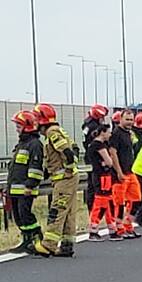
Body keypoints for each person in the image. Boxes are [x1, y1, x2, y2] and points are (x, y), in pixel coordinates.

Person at [36, 104, 79, 258]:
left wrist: (67, 168)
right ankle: (67, 245)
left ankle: (49, 245)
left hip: (64, 179)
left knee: (57, 210)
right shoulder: (59, 131)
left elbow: (67, 152)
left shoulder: (52, 133)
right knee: (68, 213)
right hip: (69, 178)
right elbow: (74, 148)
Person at [5, 111, 46, 255]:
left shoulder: (34, 144)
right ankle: (26, 240)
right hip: (15, 189)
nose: (16, 128)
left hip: (25, 189)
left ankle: (36, 238)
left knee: (25, 215)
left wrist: (30, 185)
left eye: (18, 125)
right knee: (18, 217)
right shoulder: (22, 144)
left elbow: (35, 167)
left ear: (27, 126)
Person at [109, 109, 142, 239]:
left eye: (131, 120)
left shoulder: (129, 133)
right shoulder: (116, 133)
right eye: (127, 119)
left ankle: (128, 225)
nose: (130, 122)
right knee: (120, 203)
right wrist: (119, 172)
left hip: (130, 172)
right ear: (121, 119)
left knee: (136, 199)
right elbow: (113, 152)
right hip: (121, 174)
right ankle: (120, 229)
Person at [86, 124, 121, 242]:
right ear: (103, 132)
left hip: (100, 175)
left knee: (108, 202)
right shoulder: (99, 145)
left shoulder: (93, 144)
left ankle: (112, 228)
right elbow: (109, 162)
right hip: (102, 176)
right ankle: (93, 229)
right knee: (101, 202)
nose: (110, 135)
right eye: (108, 132)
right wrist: (107, 162)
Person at [81, 104, 109, 211]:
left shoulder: (87, 125)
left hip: (90, 156)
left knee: (93, 185)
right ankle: (94, 208)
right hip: (95, 158)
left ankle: (94, 208)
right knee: (94, 185)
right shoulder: (93, 127)